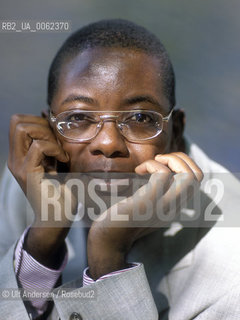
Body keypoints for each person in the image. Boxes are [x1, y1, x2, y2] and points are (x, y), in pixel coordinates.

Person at [0, 19, 240, 320]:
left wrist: (108, 260)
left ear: (175, 132)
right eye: (78, 117)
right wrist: (40, 248)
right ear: (49, 130)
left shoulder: (232, 272)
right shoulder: (28, 181)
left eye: (140, 117)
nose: (108, 143)